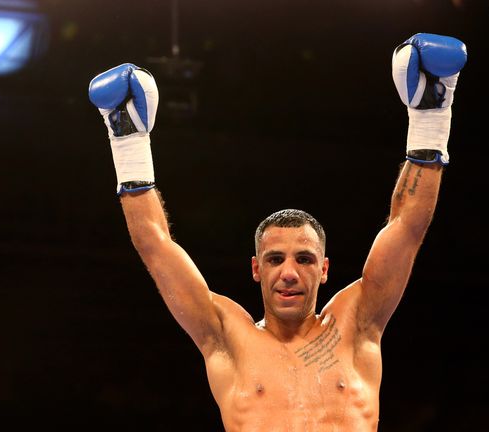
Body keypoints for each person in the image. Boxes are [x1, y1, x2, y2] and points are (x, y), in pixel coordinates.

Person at [88, 32, 467, 431]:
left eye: (304, 259)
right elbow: (155, 245)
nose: (289, 272)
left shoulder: (356, 324)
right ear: (256, 269)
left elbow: (407, 226)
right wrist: (128, 144)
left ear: (323, 269)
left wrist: (431, 121)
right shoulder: (227, 338)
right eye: (275, 259)